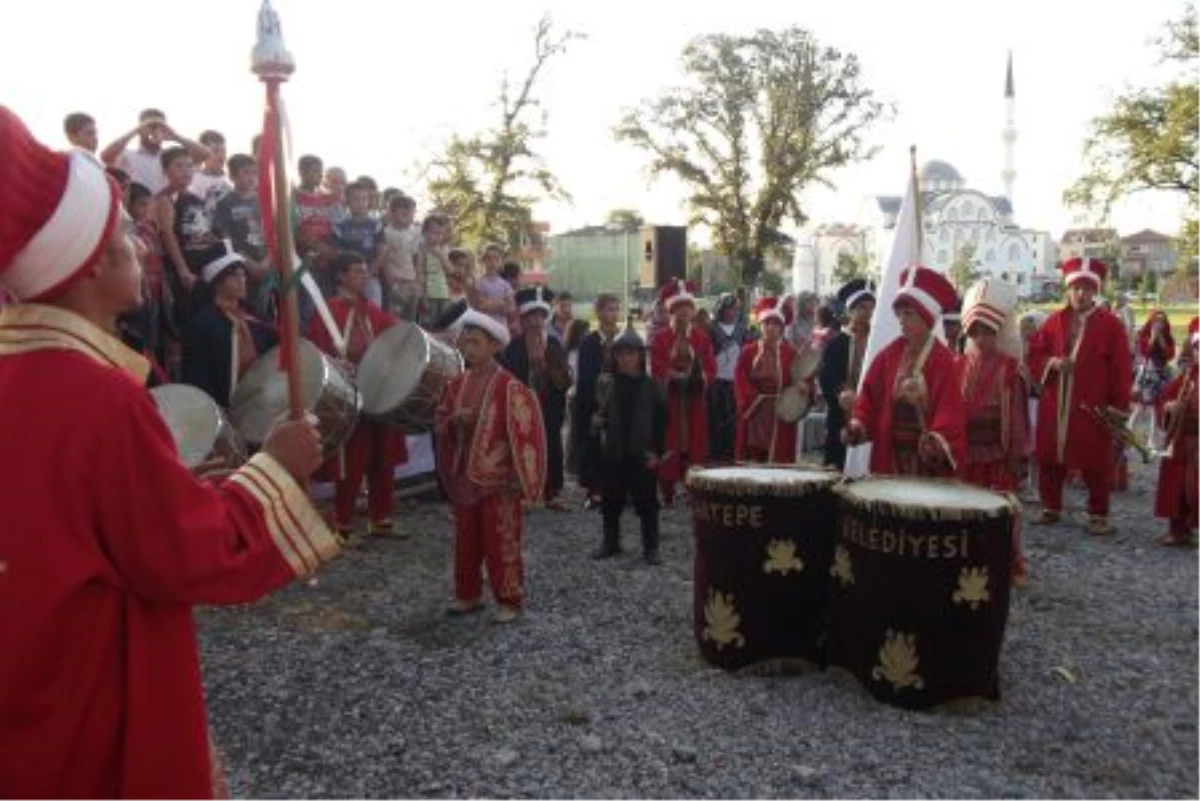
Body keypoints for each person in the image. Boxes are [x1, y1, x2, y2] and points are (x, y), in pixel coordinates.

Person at [0, 106, 337, 801]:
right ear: (92, 260)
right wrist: (276, 468)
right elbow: (185, 551)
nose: (144, 244)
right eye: (127, 231)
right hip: (90, 712)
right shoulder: (97, 397)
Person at [434, 306, 546, 624]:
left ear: (494, 346)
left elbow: (525, 436)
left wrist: (519, 477)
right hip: (464, 475)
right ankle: (467, 594)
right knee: (465, 540)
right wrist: (453, 423)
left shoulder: (511, 387)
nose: (468, 347)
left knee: (502, 540)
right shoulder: (456, 384)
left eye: (475, 342)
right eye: (465, 342)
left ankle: (509, 598)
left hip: (498, 478)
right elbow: (440, 420)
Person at [306, 251, 408, 541]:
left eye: (365, 271)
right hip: (347, 395)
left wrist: (430, 336)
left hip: (377, 393)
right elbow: (317, 353)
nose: (364, 276)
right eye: (357, 271)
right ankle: (342, 525)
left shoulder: (371, 310)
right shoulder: (328, 310)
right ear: (341, 275)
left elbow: (396, 335)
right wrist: (338, 366)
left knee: (383, 456)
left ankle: (381, 518)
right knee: (352, 460)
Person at [1027, 257, 1133, 535]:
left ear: (1095, 290)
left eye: (1087, 288)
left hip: (1092, 404)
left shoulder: (1111, 325)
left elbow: (1121, 368)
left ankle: (1098, 514)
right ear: (1068, 289)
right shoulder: (1053, 322)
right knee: (1050, 454)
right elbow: (1035, 355)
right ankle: (1051, 507)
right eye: (1076, 288)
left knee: (1095, 459)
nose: (1081, 293)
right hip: (1056, 401)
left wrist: (1118, 406)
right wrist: (1051, 363)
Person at [845, 266, 966, 476]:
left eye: (908, 313)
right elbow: (869, 399)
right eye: (899, 313)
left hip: (925, 463)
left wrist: (936, 440)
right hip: (889, 454)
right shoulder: (888, 356)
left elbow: (950, 410)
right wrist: (857, 425)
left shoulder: (944, 361)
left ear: (926, 318)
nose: (901, 319)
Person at [957, 278, 1029, 586]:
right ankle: (967, 560)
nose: (982, 338)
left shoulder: (1011, 370)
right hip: (966, 452)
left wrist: (1016, 455)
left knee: (1001, 511)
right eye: (976, 332)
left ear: (999, 332)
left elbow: (1017, 417)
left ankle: (1010, 564)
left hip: (997, 454)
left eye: (988, 331)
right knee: (965, 510)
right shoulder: (957, 364)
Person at [591, 327, 667, 564]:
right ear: (615, 356)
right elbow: (598, 416)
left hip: (641, 453)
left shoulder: (652, 386)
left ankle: (651, 547)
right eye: (621, 354)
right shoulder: (607, 384)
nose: (625, 358)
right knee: (610, 502)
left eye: (631, 354)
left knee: (647, 504)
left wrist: (658, 453)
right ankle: (610, 542)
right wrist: (596, 421)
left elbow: (662, 423)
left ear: (640, 356)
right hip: (614, 452)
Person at [181, 242, 278, 409]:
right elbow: (197, 380)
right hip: (223, 410)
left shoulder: (252, 318)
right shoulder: (202, 325)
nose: (242, 280)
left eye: (243, 275)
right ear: (217, 281)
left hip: (258, 405)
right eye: (234, 276)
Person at [502, 286, 572, 510]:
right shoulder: (513, 347)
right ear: (523, 320)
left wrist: (549, 369)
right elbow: (509, 379)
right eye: (531, 316)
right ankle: (524, 491)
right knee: (522, 445)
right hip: (522, 406)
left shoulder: (553, 344)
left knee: (551, 443)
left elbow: (564, 381)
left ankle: (552, 492)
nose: (536, 321)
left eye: (541, 316)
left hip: (550, 404)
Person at [649, 280, 716, 505]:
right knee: (670, 441)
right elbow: (656, 366)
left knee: (694, 443)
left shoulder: (701, 338)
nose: (684, 312)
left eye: (688, 308)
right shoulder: (660, 338)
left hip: (693, 401)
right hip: (670, 400)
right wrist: (673, 376)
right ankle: (667, 489)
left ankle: (693, 488)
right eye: (679, 308)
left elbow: (710, 366)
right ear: (671, 310)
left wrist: (699, 376)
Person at [734, 296, 801, 464]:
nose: (770, 328)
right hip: (755, 410)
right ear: (760, 325)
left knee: (779, 457)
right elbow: (739, 379)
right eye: (766, 323)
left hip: (781, 412)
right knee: (754, 456)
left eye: (776, 324)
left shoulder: (791, 354)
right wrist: (754, 399)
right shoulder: (748, 352)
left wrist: (802, 389)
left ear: (782, 328)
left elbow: (803, 380)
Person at [819, 279, 875, 469]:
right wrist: (840, 392)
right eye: (862, 307)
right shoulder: (836, 343)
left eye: (871, 308)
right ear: (850, 310)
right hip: (840, 412)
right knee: (838, 461)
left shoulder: (877, 344)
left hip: (868, 411)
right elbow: (827, 376)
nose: (868, 313)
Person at [1155, 317, 1200, 546]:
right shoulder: (1187, 376)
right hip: (1181, 440)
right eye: (1197, 348)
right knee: (1177, 488)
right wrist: (1171, 408)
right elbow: (1166, 399)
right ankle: (1178, 530)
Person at [574, 294, 622, 508]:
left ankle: (616, 488)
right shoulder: (589, 342)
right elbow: (585, 378)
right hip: (594, 402)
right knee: (594, 446)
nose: (613, 314)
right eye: (609, 309)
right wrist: (593, 409)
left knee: (616, 446)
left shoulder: (622, 340)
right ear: (599, 312)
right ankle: (593, 491)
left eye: (616, 309)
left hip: (619, 403)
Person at [707, 293, 746, 464]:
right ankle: (716, 454)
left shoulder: (743, 329)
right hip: (716, 381)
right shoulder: (711, 329)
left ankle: (732, 454)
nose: (732, 311)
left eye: (735, 308)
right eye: (729, 308)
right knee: (715, 418)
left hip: (735, 381)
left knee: (734, 420)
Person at [1132, 309, 1175, 452]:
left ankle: (1151, 440)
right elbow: (1145, 352)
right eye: (1156, 320)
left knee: (1155, 408)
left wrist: (1161, 338)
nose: (1159, 323)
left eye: (1162, 321)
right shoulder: (1143, 335)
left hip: (1162, 375)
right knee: (1141, 406)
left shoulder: (1168, 338)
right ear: (1151, 320)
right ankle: (1129, 433)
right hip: (1148, 373)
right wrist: (1152, 337)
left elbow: (1169, 355)